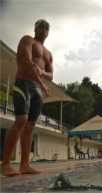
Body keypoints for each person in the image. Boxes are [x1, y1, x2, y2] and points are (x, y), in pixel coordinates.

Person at [1, 19, 53, 177]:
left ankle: (25, 165)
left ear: (48, 32)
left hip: (37, 91)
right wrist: (41, 84)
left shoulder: (48, 54)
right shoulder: (27, 40)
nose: (43, 29)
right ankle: (5, 164)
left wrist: (42, 75)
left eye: (46, 27)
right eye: (40, 26)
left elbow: (50, 75)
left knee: (30, 126)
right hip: (23, 83)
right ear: (35, 28)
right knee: (21, 121)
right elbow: (25, 62)